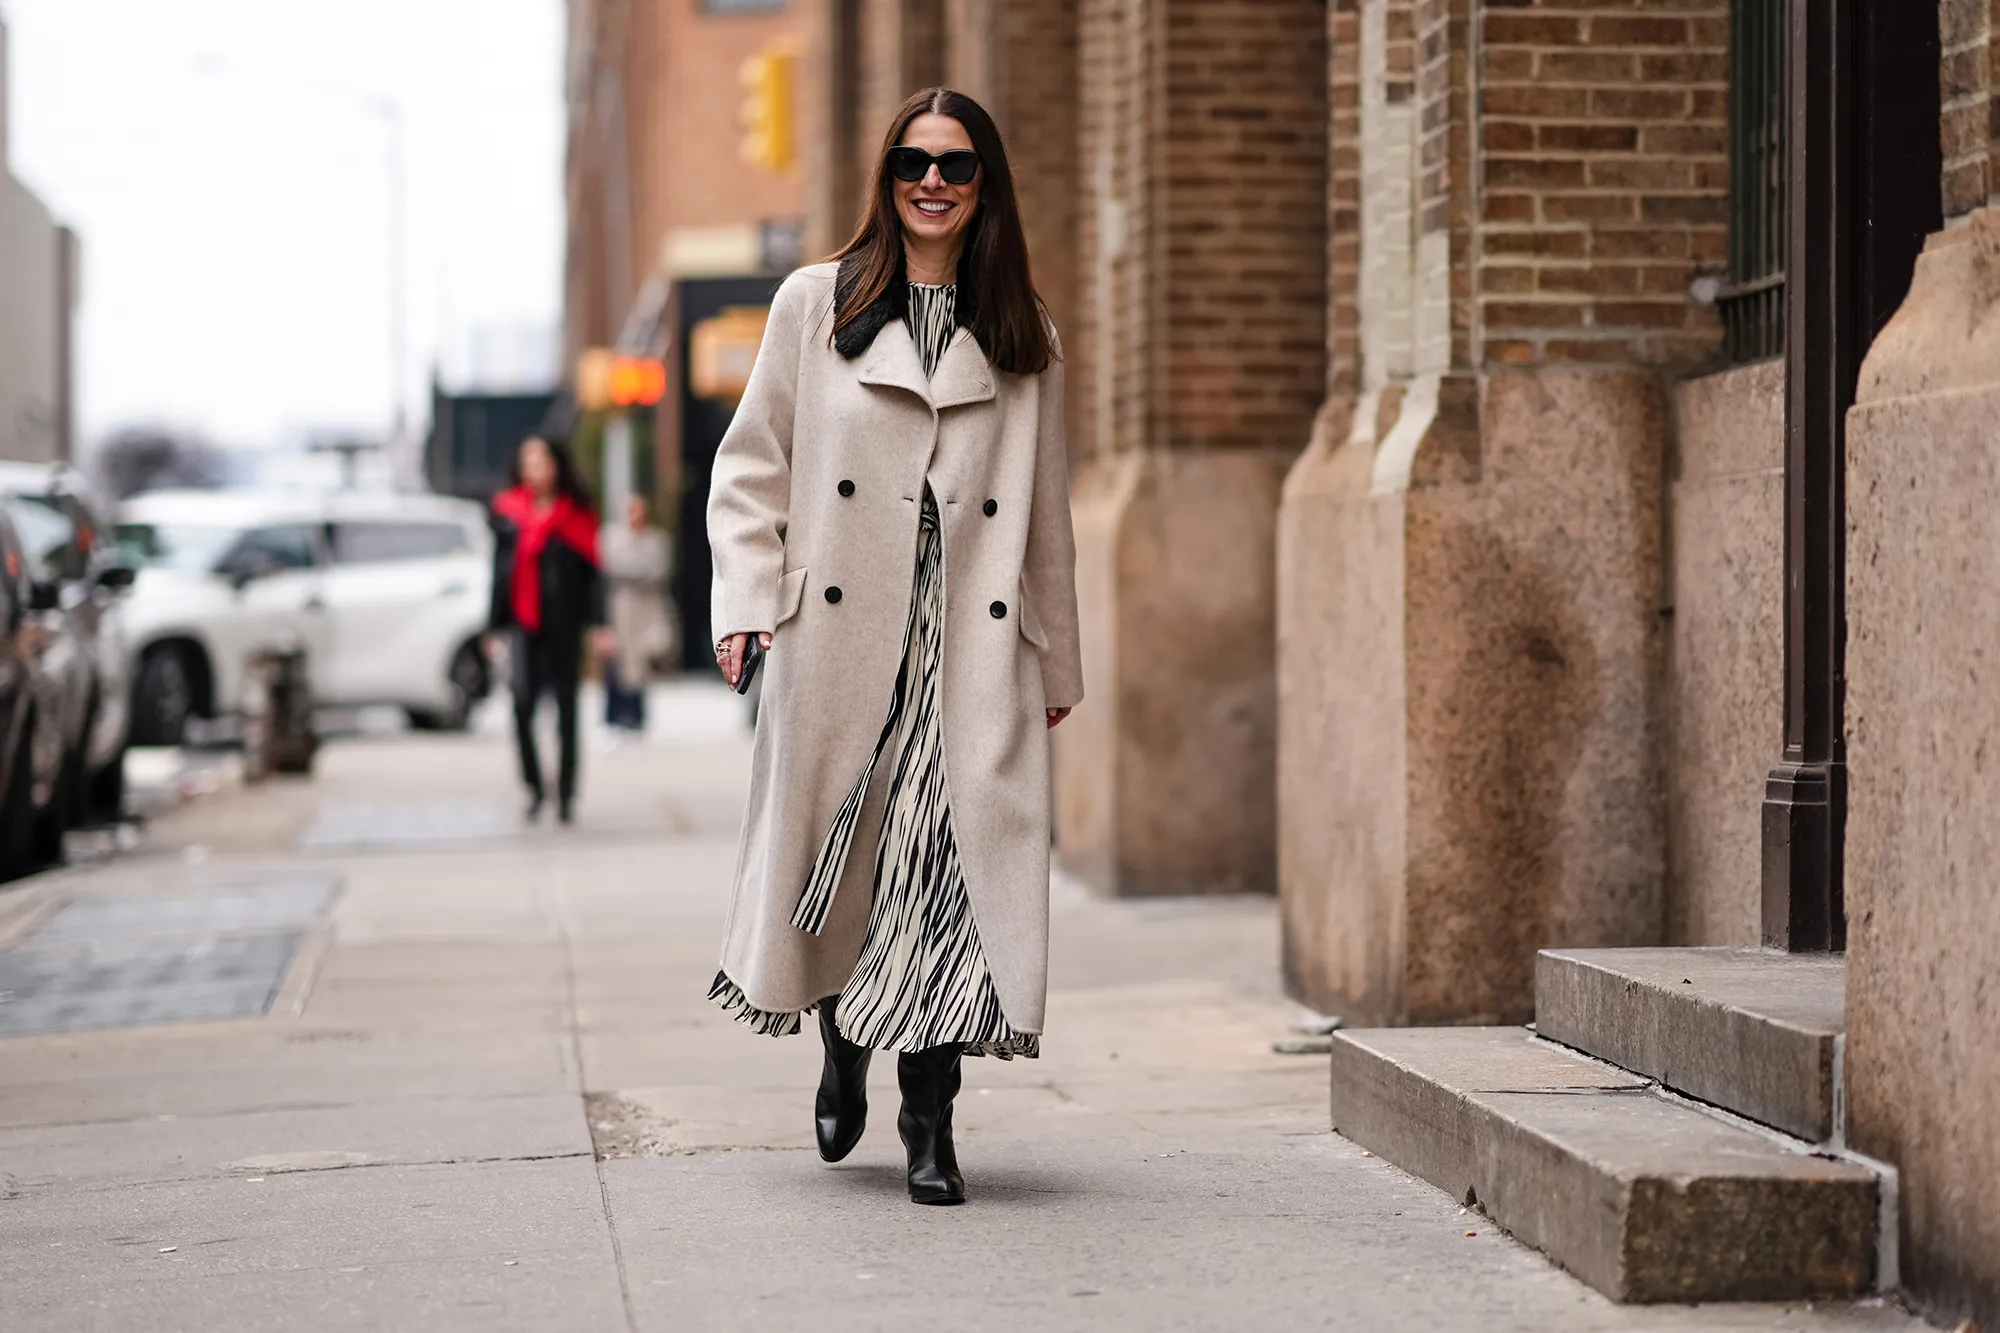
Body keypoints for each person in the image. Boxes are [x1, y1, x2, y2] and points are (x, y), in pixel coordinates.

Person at [705, 87, 1082, 1206]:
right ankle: (840, 1041)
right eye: (913, 162)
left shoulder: (1021, 335)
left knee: (946, 875)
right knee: (847, 856)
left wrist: (1055, 663)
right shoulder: (813, 305)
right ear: (886, 176)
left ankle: (929, 1121)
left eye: (956, 166)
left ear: (984, 185)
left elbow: (1045, 514)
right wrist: (742, 601)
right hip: (840, 638)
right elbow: (749, 466)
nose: (931, 181)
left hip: (968, 646)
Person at [488, 435, 606, 825]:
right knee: (521, 706)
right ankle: (534, 788)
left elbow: (593, 577)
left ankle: (567, 795)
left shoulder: (575, 515)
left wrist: (601, 625)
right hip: (523, 624)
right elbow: (499, 573)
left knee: (566, 710)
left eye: (540, 461)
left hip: (564, 625)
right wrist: (493, 625)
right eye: (527, 461)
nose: (533, 469)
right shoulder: (508, 513)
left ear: (556, 465)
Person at [600, 493, 675, 734]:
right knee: (618, 664)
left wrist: (629, 569)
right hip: (621, 611)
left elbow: (659, 570)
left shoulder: (657, 539)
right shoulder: (611, 537)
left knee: (643, 664)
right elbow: (608, 568)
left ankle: (637, 716)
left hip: (648, 611)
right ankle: (615, 717)